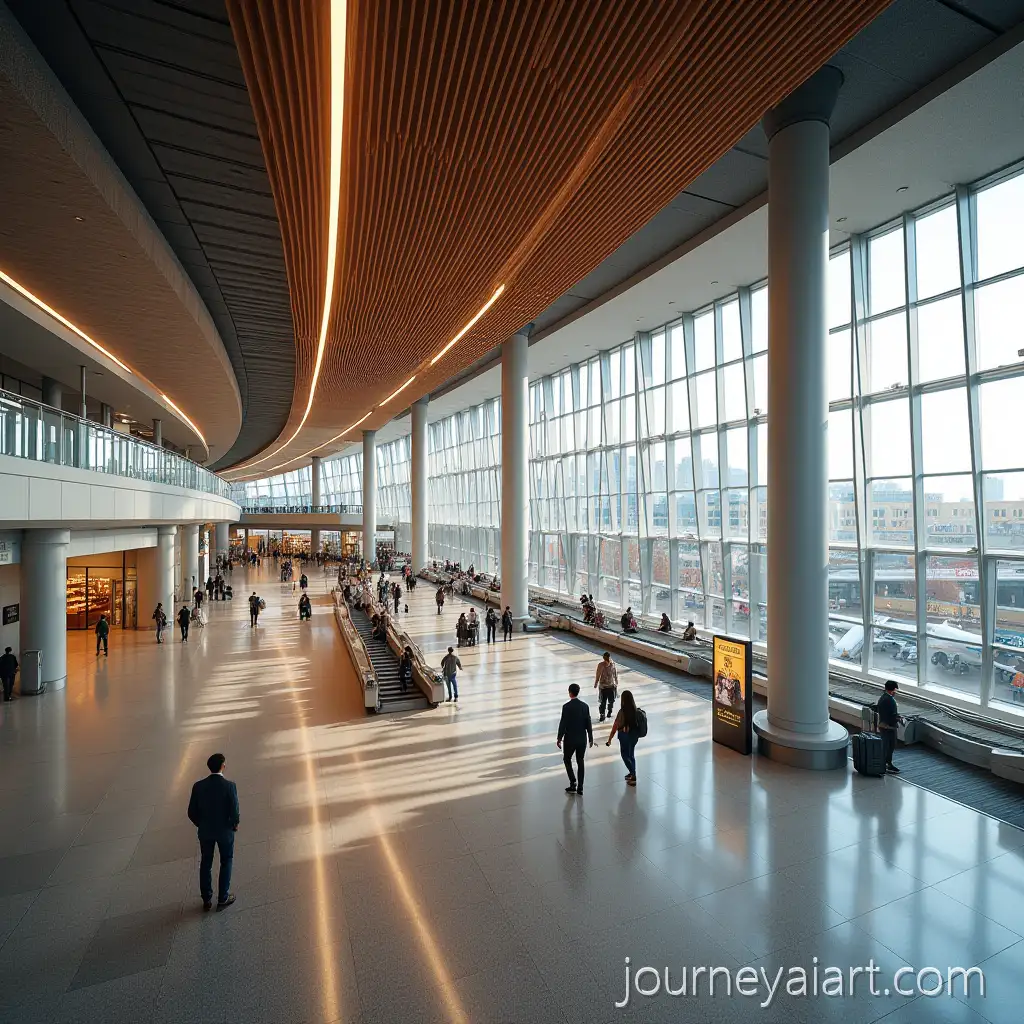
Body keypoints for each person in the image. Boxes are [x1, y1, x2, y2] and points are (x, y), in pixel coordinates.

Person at [187, 752, 239, 911]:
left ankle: (206, 898)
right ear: (223, 766)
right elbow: (235, 812)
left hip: (205, 832)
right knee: (226, 860)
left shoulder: (198, 786)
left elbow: (191, 812)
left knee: (206, 862)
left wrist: (201, 824)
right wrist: (233, 824)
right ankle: (223, 897)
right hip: (225, 832)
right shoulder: (230, 786)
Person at [557, 682, 593, 795]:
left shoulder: (566, 707)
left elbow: (563, 723)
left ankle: (573, 782)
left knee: (567, 759)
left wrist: (559, 738)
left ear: (570, 693)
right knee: (580, 761)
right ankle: (581, 787)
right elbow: (588, 723)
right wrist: (591, 737)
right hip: (582, 738)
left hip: (570, 739)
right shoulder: (585, 706)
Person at [606, 688, 641, 786]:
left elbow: (615, 726)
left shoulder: (622, 712)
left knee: (625, 755)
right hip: (634, 736)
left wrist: (610, 739)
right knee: (631, 755)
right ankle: (631, 773)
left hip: (624, 736)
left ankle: (633, 775)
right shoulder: (636, 711)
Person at [874, 680, 904, 774]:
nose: (896, 692)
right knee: (888, 746)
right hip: (888, 727)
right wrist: (898, 719)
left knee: (887, 745)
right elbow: (890, 715)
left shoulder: (884, 698)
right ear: (892, 690)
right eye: (895, 690)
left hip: (885, 726)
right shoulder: (889, 700)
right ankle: (885, 764)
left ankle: (886, 763)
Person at [594, 651, 619, 723]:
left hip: (611, 686)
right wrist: (596, 683)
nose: (607, 662)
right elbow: (598, 674)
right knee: (603, 701)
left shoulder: (613, 664)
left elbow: (615, 673)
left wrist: (616, 681)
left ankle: (609, 711)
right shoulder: (601, 665)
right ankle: (602, 714)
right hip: (603, 687)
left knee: (611, 701)